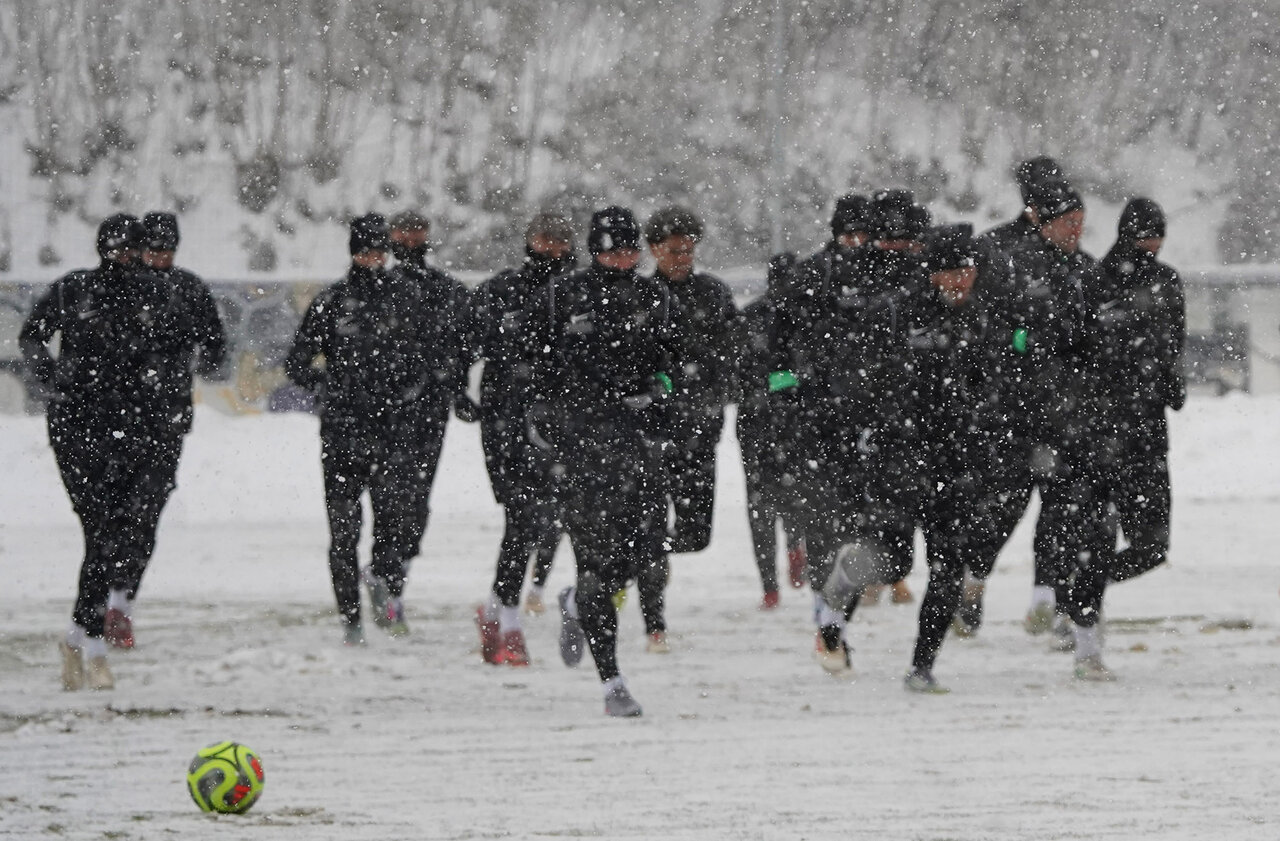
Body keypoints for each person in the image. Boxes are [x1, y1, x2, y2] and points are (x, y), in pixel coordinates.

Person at [21, 214, 217, 690]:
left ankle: (82, 637)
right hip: (78, 430)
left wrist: (165, 389)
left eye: (131, 251)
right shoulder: (74, 290)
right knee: (101, 532)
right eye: (116, 250)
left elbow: (193, 348)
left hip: (135, 429)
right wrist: (53, 379)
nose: (124, 260)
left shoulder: (161, 295)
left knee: (118, 533)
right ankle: (88, 641)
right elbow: (32, 335)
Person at [530, 206, 681, 716]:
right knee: (596, 564)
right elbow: (536, 367)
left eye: (629, 249)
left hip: (638, 451)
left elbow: (672, 364)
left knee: (646, 556)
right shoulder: (563, 295)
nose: (623, 258)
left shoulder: (654, 296)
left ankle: (578, 605)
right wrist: (550, 429)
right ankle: (611, 682)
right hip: (583, 452)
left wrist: (661, 397)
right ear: (594, 250)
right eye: (612, 249)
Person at [285, 214, 461, 645]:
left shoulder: (409, 299)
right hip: (343, 434)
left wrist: (416, 390)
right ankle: (350, 620)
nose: (373, 259)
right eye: (365, 251)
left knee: (395, 525)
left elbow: (437, 357)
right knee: (343, 531)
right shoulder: (332, 301)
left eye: (379, 251)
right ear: (353, 253)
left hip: (394, 433)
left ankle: (388, 594)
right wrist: (329, 388)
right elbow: (296, 362)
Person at [1059, 197, 1184, 679]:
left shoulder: (1167, 282)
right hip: (1098, 434)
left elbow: (1175, 341)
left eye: (1158, 237)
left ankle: (1078, 590)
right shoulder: (1093, 282)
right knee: (1096, 533)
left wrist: (1172, 384)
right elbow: (1072, 353)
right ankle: (1086, 641)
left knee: (1152, 546)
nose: (1152, 246)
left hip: (1148, 434)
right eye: (1145, 236)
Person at [898, 224, 1025, 692]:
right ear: (932, 275)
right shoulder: (906, 318)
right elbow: (883, 385)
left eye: (966, 270)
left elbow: (1008, 381)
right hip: (909, 461)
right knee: (890, 558)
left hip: (965, 465)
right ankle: (834, 611)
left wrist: (996, 434)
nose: (959, 280)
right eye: (949, 271)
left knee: (947, 565)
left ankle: (922, 663)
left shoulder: (990, 320)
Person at [472, 213, 577, 666]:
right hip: (507, 423)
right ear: (529, 241)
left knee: (549, 520)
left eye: (559, 241)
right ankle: (508, 621)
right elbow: (463, 342)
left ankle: (500, 608)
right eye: (543, 239)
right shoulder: (501, 290)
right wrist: (459, 389)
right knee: (522, 519)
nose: (550, 248)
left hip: (564, 423)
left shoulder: (581, 291)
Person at [636, 206, 736, 651]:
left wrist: (719, 388)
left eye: (689, 249)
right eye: (674, 250)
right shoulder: (639, 295)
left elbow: (733, 351)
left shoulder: (713, 293)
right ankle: (652, 620)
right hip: (652, 432)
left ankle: (642, 559)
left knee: (697, 535)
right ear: (654, 249)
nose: (682, 257)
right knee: (651, 527)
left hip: (701, 428)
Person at [384, 210, 474, 601]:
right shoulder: (379, 289)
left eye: (417, 232)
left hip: (430, 407)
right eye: (404, 233)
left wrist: (455, 390)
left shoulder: (446, 290)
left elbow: (464, 345)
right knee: (392, 494)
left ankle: (397, 570)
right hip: (386, 409)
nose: (411, 239)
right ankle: (388, 571)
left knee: (417, 497)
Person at [736, 252, 805, 609]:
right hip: (763, 420)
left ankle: (781, 570)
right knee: (772, 498)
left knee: (771, 499)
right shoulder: (754, 317)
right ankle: (775, 576)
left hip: (778, 419)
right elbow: (735, 368)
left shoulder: (796, 316)